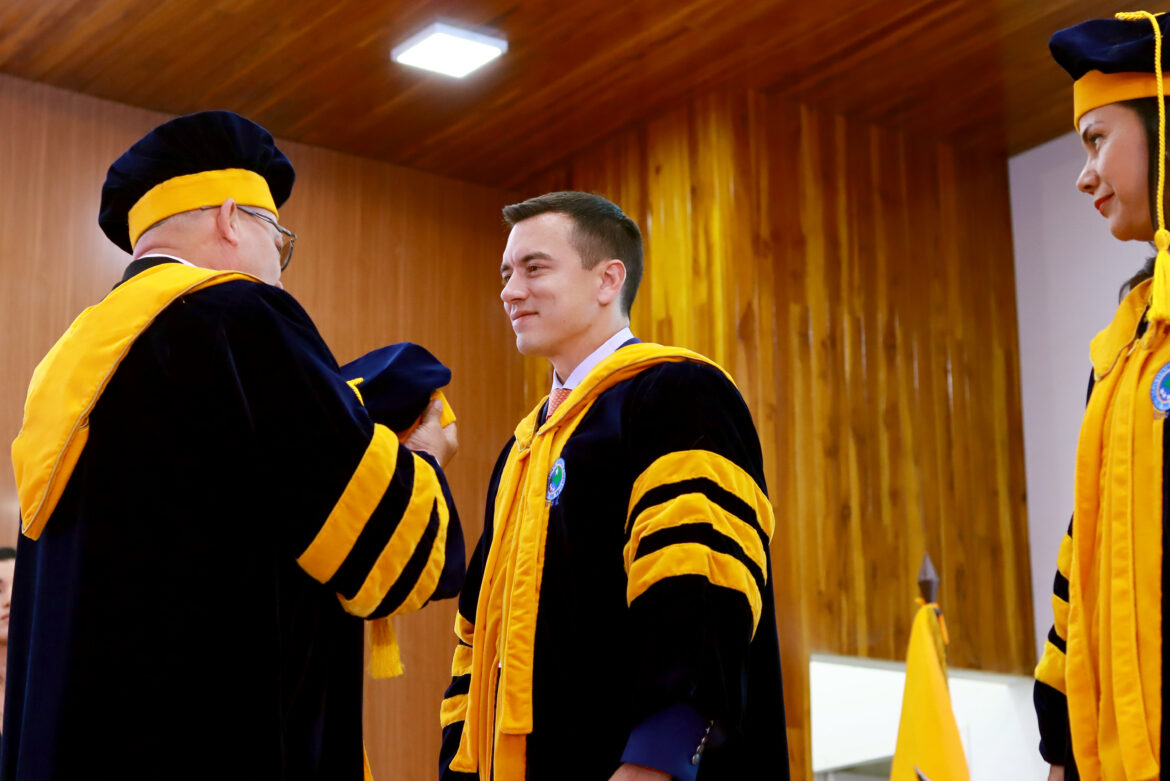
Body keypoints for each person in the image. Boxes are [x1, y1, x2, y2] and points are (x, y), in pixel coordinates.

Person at [3, 111, 464, 780]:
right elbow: (382, 550)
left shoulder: (67, 366)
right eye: (279, 241)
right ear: (230, 218)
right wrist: (426, 457)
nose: (279, 270)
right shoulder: (236, 320)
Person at [438, 191, 788, 781]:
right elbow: (476, 642)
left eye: (534, 267)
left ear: (608, 279)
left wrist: (656, 758)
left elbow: (701, 590)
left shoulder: (676, 395)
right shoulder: (522, 450)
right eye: (505, 273)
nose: (510, 290)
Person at [1037, 12, 1170, 781]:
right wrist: (1062, 752)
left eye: (1097, 140)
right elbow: (1079, 562)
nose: (1085, 174)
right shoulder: (1121, 348)